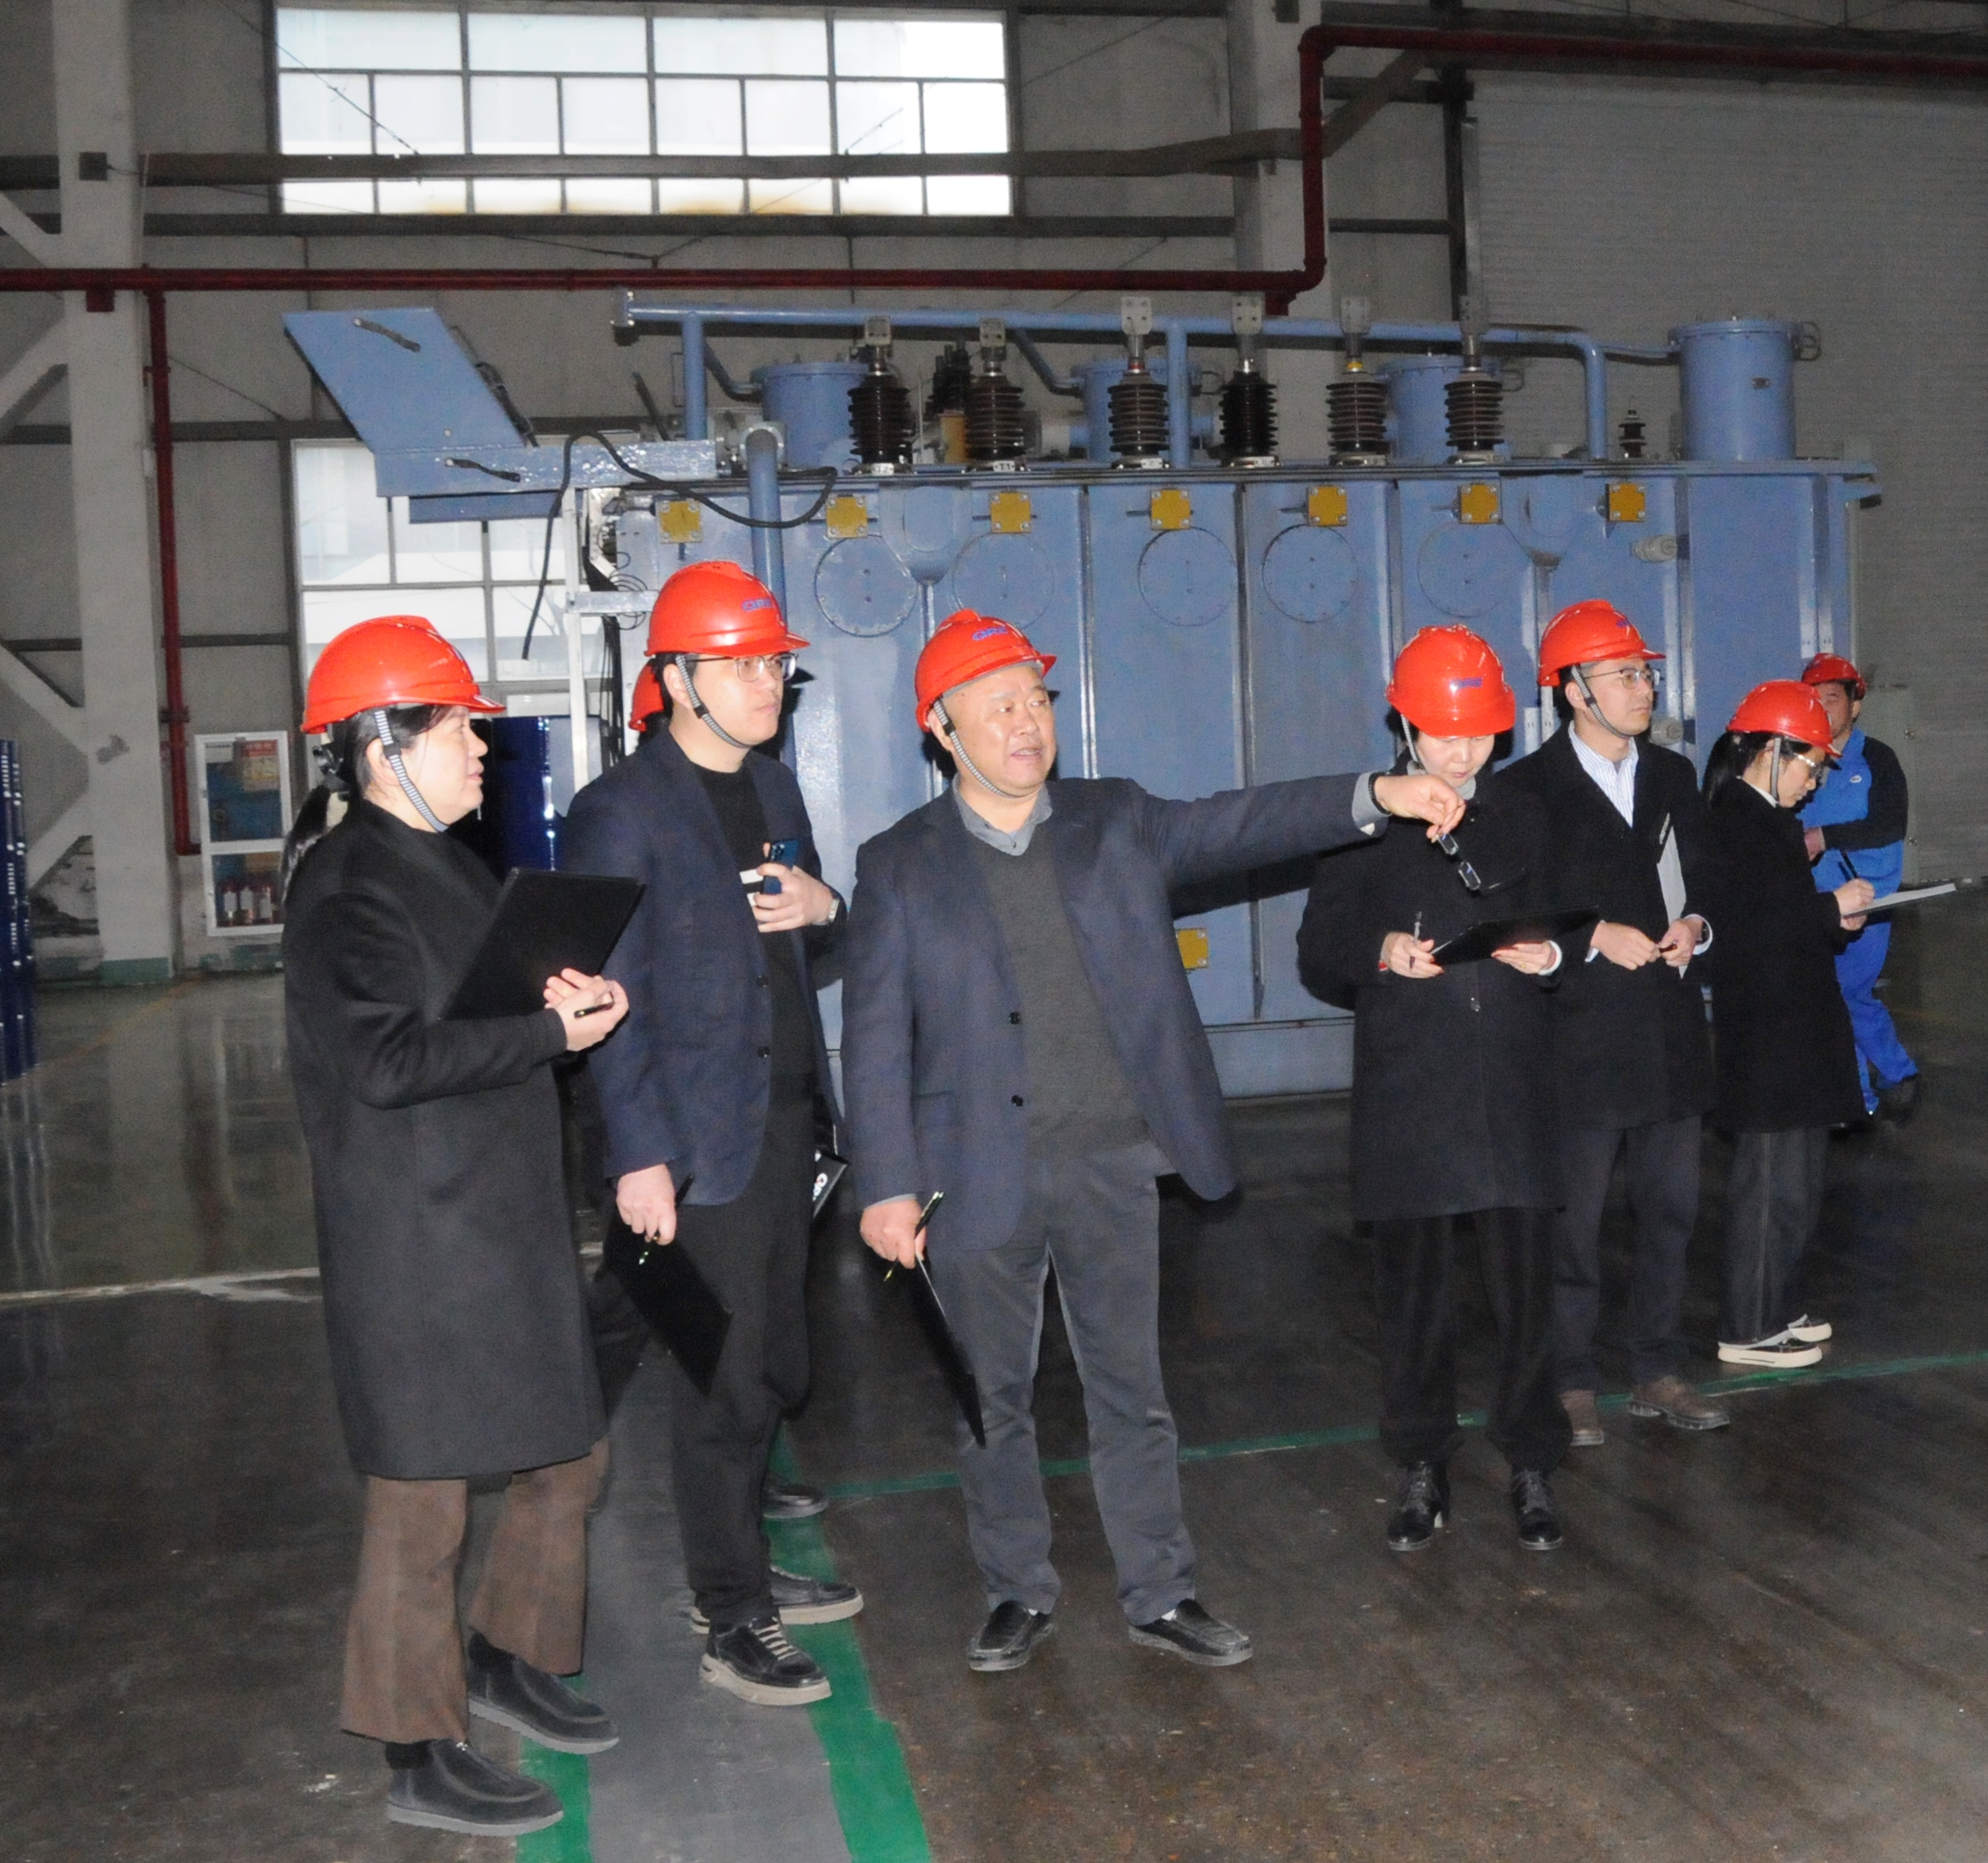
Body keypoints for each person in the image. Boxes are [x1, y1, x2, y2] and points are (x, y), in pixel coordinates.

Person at [847, 611, 1469, 1674]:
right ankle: (1015, 1589)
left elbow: (1243, 822)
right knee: (989, 1397)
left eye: (1035, 701)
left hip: (1109, 1159)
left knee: (1130, 1392)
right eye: (998, 707)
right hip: (973, 1175)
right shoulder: (898, 864)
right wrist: (886, 1184)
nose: (1026, 723)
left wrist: (1376, 793)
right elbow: (872, 1036)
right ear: (940, 731)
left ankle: (1160, 1591)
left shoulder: (1116, 819)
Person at [281, 618, 630, 1838]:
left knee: (567, 1455)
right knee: (420, 1502)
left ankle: (505, 1655)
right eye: (460, 727)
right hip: (419, 1243)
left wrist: (564, 1005)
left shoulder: (454, 867)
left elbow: (478, 1014)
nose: (485, 747)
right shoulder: (345, 889)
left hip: (498, 1220)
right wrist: (543, 1036)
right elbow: (383, 1061)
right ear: (385, 745)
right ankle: (415, 1746)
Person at [559, 560, 859, 1711]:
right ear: (677, 680)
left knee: (776, 1361)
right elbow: (606, 996)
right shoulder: (621, 811)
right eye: (740, 667)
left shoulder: (774, 789)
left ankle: (739, 1556)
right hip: (691, 1145)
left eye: (774, 665)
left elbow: (801, 933)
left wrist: (825, 909)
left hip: (784, 1124)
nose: (767, 684)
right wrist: (638, 1158)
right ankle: (731, 1612)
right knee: (724, 1380)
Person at [1296, 627, 1572, 1556]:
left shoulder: (1526, 815)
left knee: (1525, 1291)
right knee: (1412, 1295)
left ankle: (1532, 1459)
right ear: (1405, 726)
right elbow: (1318, 949)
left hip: (1513, 1087)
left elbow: (1572, 921)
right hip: (1412, 1090)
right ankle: (1421, 1461)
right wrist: (1379, 951)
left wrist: (1550, 954)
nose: (1461, 755)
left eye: (1478, 736)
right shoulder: (1363, 825)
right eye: (1444, 735)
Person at [1501, 599, 1727, 1446]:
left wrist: (1695, 924)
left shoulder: (1671, 776)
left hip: (1668, 1033)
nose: (1642, 688)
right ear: (1573, 691)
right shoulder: (1524, 791)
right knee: (1575, 1225)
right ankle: (1568, 1380)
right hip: (1577, 1042)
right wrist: (1591, 935)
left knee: (1670, 1212)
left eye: (1644, 673)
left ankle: (1656, 1369)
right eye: (1623, 674)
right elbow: (1509, 911)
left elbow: (1703, 876)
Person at [1694, 681, 1878, 1369]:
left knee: (1797, 1181)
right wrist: (1830, 909)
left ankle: (1778, 1302)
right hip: (1767, 1032)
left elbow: (1783, 921)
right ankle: (1748, 1324)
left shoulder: (1767, 821)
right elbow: (1748, 929)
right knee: (1768, 1184)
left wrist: (1830, 917)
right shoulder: (1736, 822)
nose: (1813, 781)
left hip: (1795, 1025)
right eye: (1809, 765)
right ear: (1770, 750)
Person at [1797, 652, 1918, 1126]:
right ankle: (1883, 1080)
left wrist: (1824, 837)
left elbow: (1888, 824)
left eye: (1832, 698)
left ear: (1855, 704)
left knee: (1845, 992)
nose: (1823, 707)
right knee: (1834, 995)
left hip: (1867, 901)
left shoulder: (1876, 759)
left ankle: (1869, 1088)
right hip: (1814, 902)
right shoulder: (1800, 757)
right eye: (1813, 698)